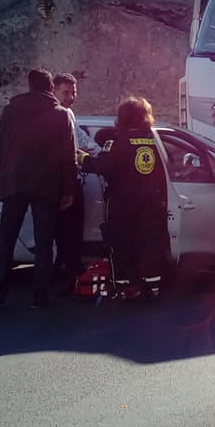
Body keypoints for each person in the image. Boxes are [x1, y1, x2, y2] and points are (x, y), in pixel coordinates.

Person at [0, 68, 78, 310]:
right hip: (47, 185)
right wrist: (69, 190)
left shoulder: (10, 111)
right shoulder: (61, 115)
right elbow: (68, 157)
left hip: (14, 183)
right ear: (51, 88)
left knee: (6, 240)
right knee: (44, 243)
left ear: (29, 86)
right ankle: (40, 296)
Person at [82, 96, 169, 299]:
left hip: (123, 205)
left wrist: (82, 158)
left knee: (121, 245)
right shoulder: (156, 141)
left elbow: (101, 166)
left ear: (123, 117)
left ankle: (123, 287)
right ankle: (152, 287)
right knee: (150, 244)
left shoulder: (117, 142)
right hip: (152, 204)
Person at [52, 71, 100, 285]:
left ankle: (69, 269)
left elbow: (85, 142)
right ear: (53, 90)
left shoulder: (69, 114)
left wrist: (97, 153)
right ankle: (64, 273)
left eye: (74, 93)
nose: (71, 97)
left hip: (71, 182)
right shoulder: (54, 115)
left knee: (71, 232)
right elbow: (68, 148)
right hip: (58, 185)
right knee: (64, 232)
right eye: (66, 92)